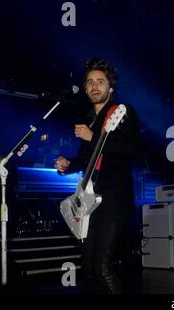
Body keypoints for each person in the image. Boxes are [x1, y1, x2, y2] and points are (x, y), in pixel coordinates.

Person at [54, 58, 140, 293]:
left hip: (114, 199)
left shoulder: (121, 112)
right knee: (89, 268)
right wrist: (67, 166)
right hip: (90, 200)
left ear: (110, 88)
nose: (94, 86)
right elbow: (86, 160)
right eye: (90, 82)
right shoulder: (89, 118)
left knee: (102, 267)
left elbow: (132, 150)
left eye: (100, 82)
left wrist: (93, 137)